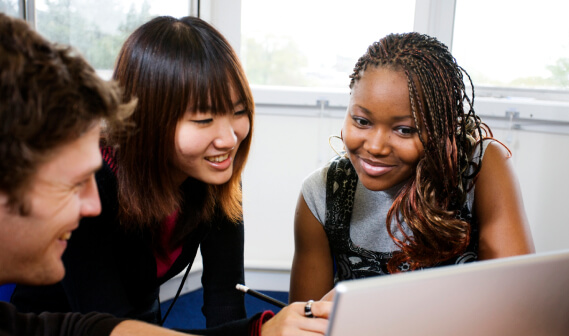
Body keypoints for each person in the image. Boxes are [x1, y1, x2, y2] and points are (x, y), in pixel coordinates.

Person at [2, 13, 331, 336]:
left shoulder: (215, 170)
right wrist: (262, 331)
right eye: (204, 120)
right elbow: (109, 321)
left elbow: (224, 297)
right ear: (151, 120)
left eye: (239, 112)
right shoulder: (97, 186)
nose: (229, 139)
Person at [289, 32, 535, 302]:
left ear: (442, 130)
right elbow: (304, 321)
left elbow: (516, 302)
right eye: (361, 121)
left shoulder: (480, 166)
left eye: (404, 130)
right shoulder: (321, 193)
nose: (376, 146)